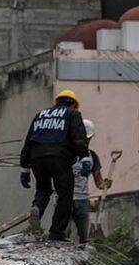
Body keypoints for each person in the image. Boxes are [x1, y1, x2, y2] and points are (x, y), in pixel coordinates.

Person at [20, 88, 90, 242]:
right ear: (73, 105)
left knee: (43, 189)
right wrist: (85, 157)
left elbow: (28, 141)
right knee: (65, 194)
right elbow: (79, 137)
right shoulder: (72, 114)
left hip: (37, 158)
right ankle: (56, 233)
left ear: (57, 101)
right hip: (59, 157)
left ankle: (37, 208)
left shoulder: (40, 115)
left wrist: (24, 168)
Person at [69, 118, 105, 244]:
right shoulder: (66, 154)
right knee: (65, 236)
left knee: (82, 237)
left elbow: (99, 183)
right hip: (66, 199)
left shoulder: (92, 156)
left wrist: (106, 184)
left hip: (79, 200)